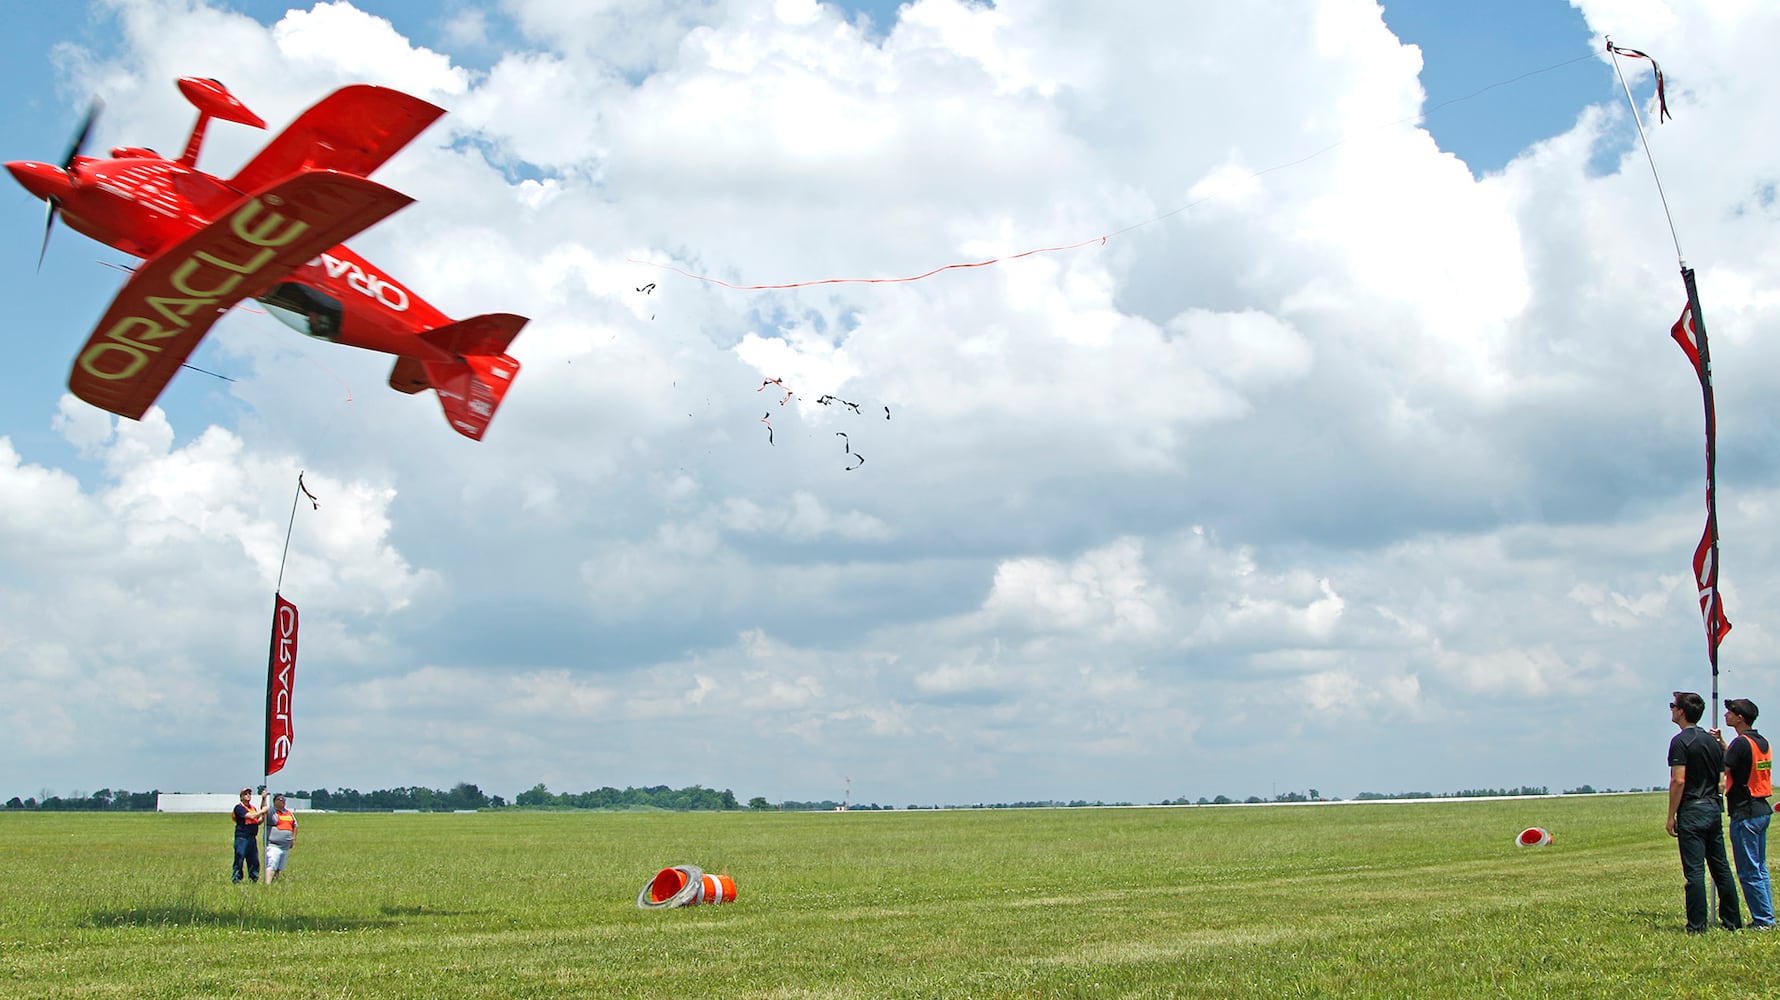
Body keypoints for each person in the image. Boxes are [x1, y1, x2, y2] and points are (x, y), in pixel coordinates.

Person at [1668, 691, 1742, 932]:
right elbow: (1722, 776)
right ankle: (1732, 920)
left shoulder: (1680, 742)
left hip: (1692, 809)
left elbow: (1678, 780)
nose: (1672, 710)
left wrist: (1671, 816)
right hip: (1712, 806)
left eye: (1673, 706)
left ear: (1681, 712)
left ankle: (1697, 925)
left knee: (1695, 872)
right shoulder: (1712, 741)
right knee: (1720, 867)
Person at [1715, 698, 1774, 928]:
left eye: (1730, 712)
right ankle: (1766, 915)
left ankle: (1764, 920)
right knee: (1759, 867)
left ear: (1740, 718)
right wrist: (1721, 742)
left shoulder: (1741, 743)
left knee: (1749, 871)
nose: (1726, 715)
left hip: (1745, 812)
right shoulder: (1761, 741)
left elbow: (1725, 766)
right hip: (1761, 808)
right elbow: (1739, 759)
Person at [231, 787, 266, 884]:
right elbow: (251, 816)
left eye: (249, 794)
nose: (248, 795)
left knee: (254, 860)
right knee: (239, 858)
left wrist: (263, 801)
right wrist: (262, 811)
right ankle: (236, 878)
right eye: (245, 794)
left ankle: (253, 878)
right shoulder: (239, 808)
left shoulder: (253, 808)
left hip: (252, 838)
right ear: (241, 797)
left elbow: (256, 821)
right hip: (242, 838)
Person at [263, 794, 299, 883]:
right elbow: (264, 810)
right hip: (273, 845)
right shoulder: (272, 812)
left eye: (283, 800)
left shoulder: (289, 813)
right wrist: (264, 799)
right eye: (279, 800)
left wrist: (293, 839)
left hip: (285, 846)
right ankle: (267, 883)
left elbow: (295, 826)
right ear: (275, 801)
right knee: (272, 864)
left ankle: (275, 882)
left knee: (279, 867)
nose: (282, 802)